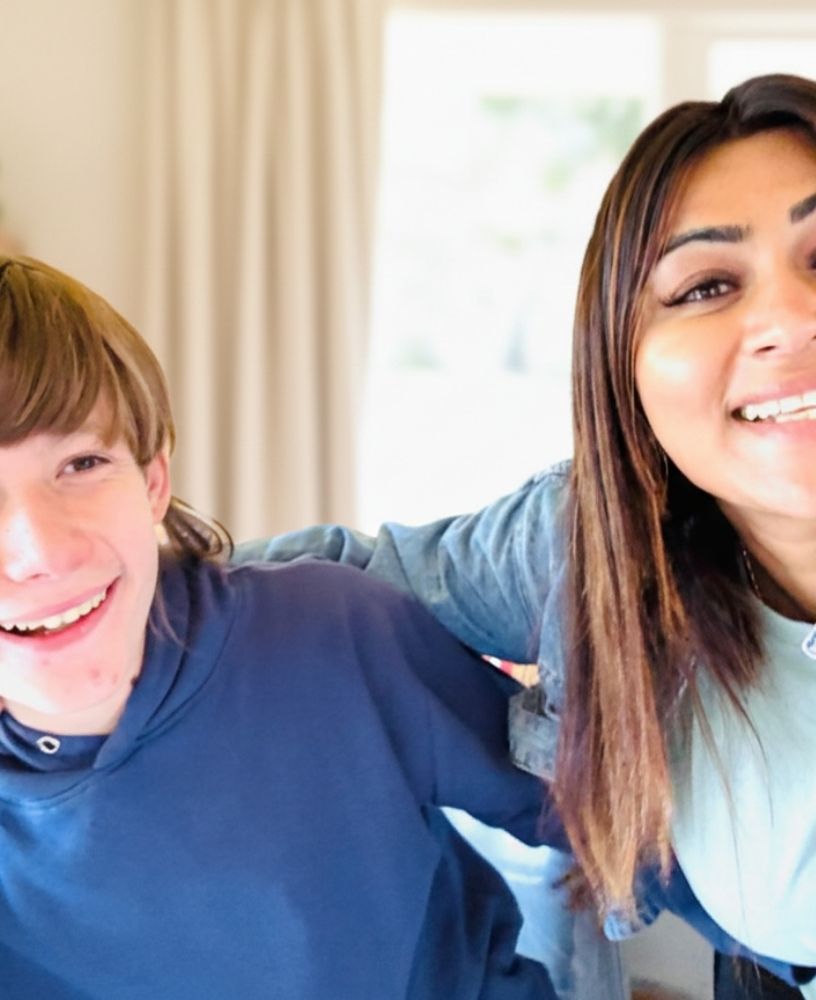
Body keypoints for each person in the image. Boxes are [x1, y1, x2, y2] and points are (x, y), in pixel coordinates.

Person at [239, 72, 816, 999]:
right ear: (623, 370)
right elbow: (348, 581)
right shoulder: (597, 545)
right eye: (708, 285)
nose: (788, 319)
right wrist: (79, 591)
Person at [0, 255, 568, 999]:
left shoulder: (333, 636)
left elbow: (616, 824)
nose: (39, 551)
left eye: (80, 463)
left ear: (152, 482)